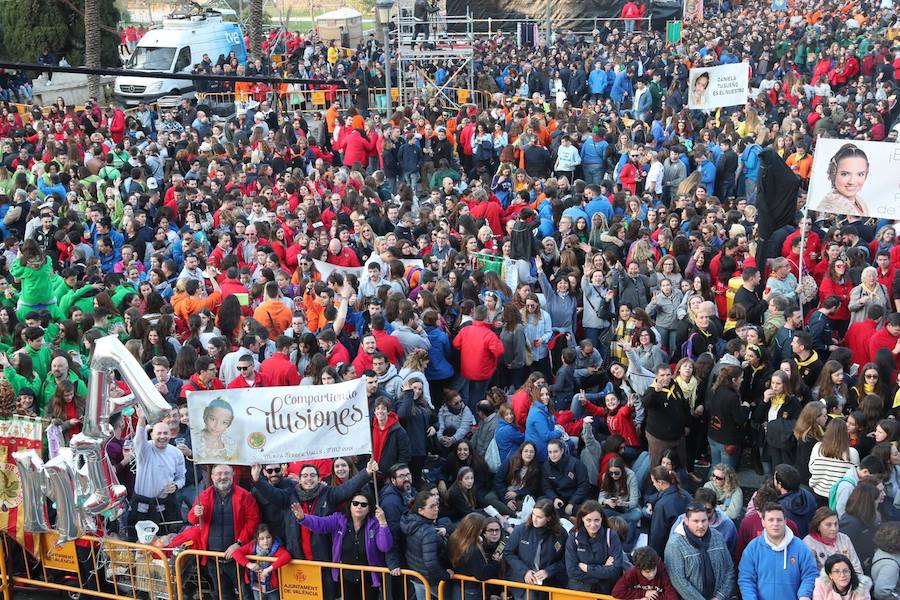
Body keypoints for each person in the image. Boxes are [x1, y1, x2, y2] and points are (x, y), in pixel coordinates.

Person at [292, 492, 397, 600]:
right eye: (355, 503)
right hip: (346, 576)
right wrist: (303, 518)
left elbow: (385, 546)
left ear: (369, 508)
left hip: (369, 578)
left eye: (363, 504)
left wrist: (383, 523)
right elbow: (320, 524)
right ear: (350, 505)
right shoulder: (339, 519)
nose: (359, 507)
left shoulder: (375, 523)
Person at [188, 464, 261, 600]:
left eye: (226, 473)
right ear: (212, 476)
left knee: (246, 595)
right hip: (213, 559)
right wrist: (195, 513)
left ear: (233, 475)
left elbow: (253, 521)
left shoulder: (244, 495)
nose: (223, 477)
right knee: (224, 596)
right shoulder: (203, 495)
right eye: (219, 473)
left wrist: (239, 544)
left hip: (238, 558)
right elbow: (192, 519)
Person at [738, 502, 819, 600]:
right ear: (763, 522)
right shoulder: (753, 548)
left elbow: (810, 574)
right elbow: (746, 579)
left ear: (785, 521)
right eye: (771, 520)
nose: (775, 524)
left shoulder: (800, 547)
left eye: (779, 520)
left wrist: (804, 595)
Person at [664, 501, 735, 600]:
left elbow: (729, 569)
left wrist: (719, 596)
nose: (701, 526)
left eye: (704, 520)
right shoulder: (675, 544)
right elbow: (678, 580)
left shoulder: (717, 537)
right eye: (696, 521)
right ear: (686, 520)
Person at [503, 499, 568, 598]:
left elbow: (565, 559)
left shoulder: (560, 533)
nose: (535, 519)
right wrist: (525, 571)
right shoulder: (521, 530)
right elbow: (508, 552)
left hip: (549, 584)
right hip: (522, 582)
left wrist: (549, 571)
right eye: (533, 514)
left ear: (549, 518)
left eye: (539, 517)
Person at [564, 500, 624, 595]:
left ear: (602, 519)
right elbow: (572, 571)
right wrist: (603, 569)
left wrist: (587, 568)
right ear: (582, 519)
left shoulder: (611, 536)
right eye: (588, 520)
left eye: (597, 520)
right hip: (580, 590)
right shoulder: (573, 537)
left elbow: (616, 570)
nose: (593, 525)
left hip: (605, 590)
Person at [402, 490, 453, 600]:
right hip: (430, 580)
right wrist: (446, 576)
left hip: (417, 576)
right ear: (420, 510)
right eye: (432, 506)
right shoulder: (427, 530)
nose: (437, 509)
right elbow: (430, 563)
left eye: (436, 505)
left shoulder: (410, 521)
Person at [232, 524, 292, 600]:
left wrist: (269, 569)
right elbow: (235, 553)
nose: (265, 541)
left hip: (272, 589)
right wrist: (249, 564)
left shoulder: (275, 548)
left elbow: (287, 556)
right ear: (257, 539)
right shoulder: (252, 546)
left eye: (268, 537)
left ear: (272, 537)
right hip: (257, 587)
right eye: (261, 538)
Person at [803, 507, 864, 575]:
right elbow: (811, 575)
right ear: (818, 526)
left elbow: (857, 569)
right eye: (828, 525)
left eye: (836, 524)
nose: (834, 528)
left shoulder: (844, 538)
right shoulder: (808, 543)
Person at [814, 143, 870, 217]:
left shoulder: (860, 202)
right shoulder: (830, 204)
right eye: (845, 174)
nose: (852, 181)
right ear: (834, 173)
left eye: (860, 174)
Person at [541, 438, 591, 518]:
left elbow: (584, 485)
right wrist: (554, 498)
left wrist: (572, 502)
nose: (553, 455)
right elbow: (546, 487)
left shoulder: (576, 464)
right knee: (542, 502)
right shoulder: (546, 466)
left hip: (576, 499)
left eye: (555, 451)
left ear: (562, 451)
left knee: (588, 510)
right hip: (559, 500)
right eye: (550, 452)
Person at [647, 465, 691, 556]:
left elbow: (657, 536)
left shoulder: (662, 505)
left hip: (671, 550)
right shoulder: (685, 494)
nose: (653, 484)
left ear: (660, 482)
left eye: (653, 482)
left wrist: (652, 556)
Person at [612, 546, 679, 600]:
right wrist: (643, 594)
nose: (652, 574)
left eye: (653, 569)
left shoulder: (662, 570)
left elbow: (673, 596)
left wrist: (653, 598)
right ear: (639, 569)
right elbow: (617, 592)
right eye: (647, 572)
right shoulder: (632, 573)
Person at [194, 397, 238, 462]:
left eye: (224, 422)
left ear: (229, 424)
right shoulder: (195, 440)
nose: (217, 426)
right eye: (212, 419)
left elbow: (234, 463)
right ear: (205, 415)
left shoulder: (230, 444)